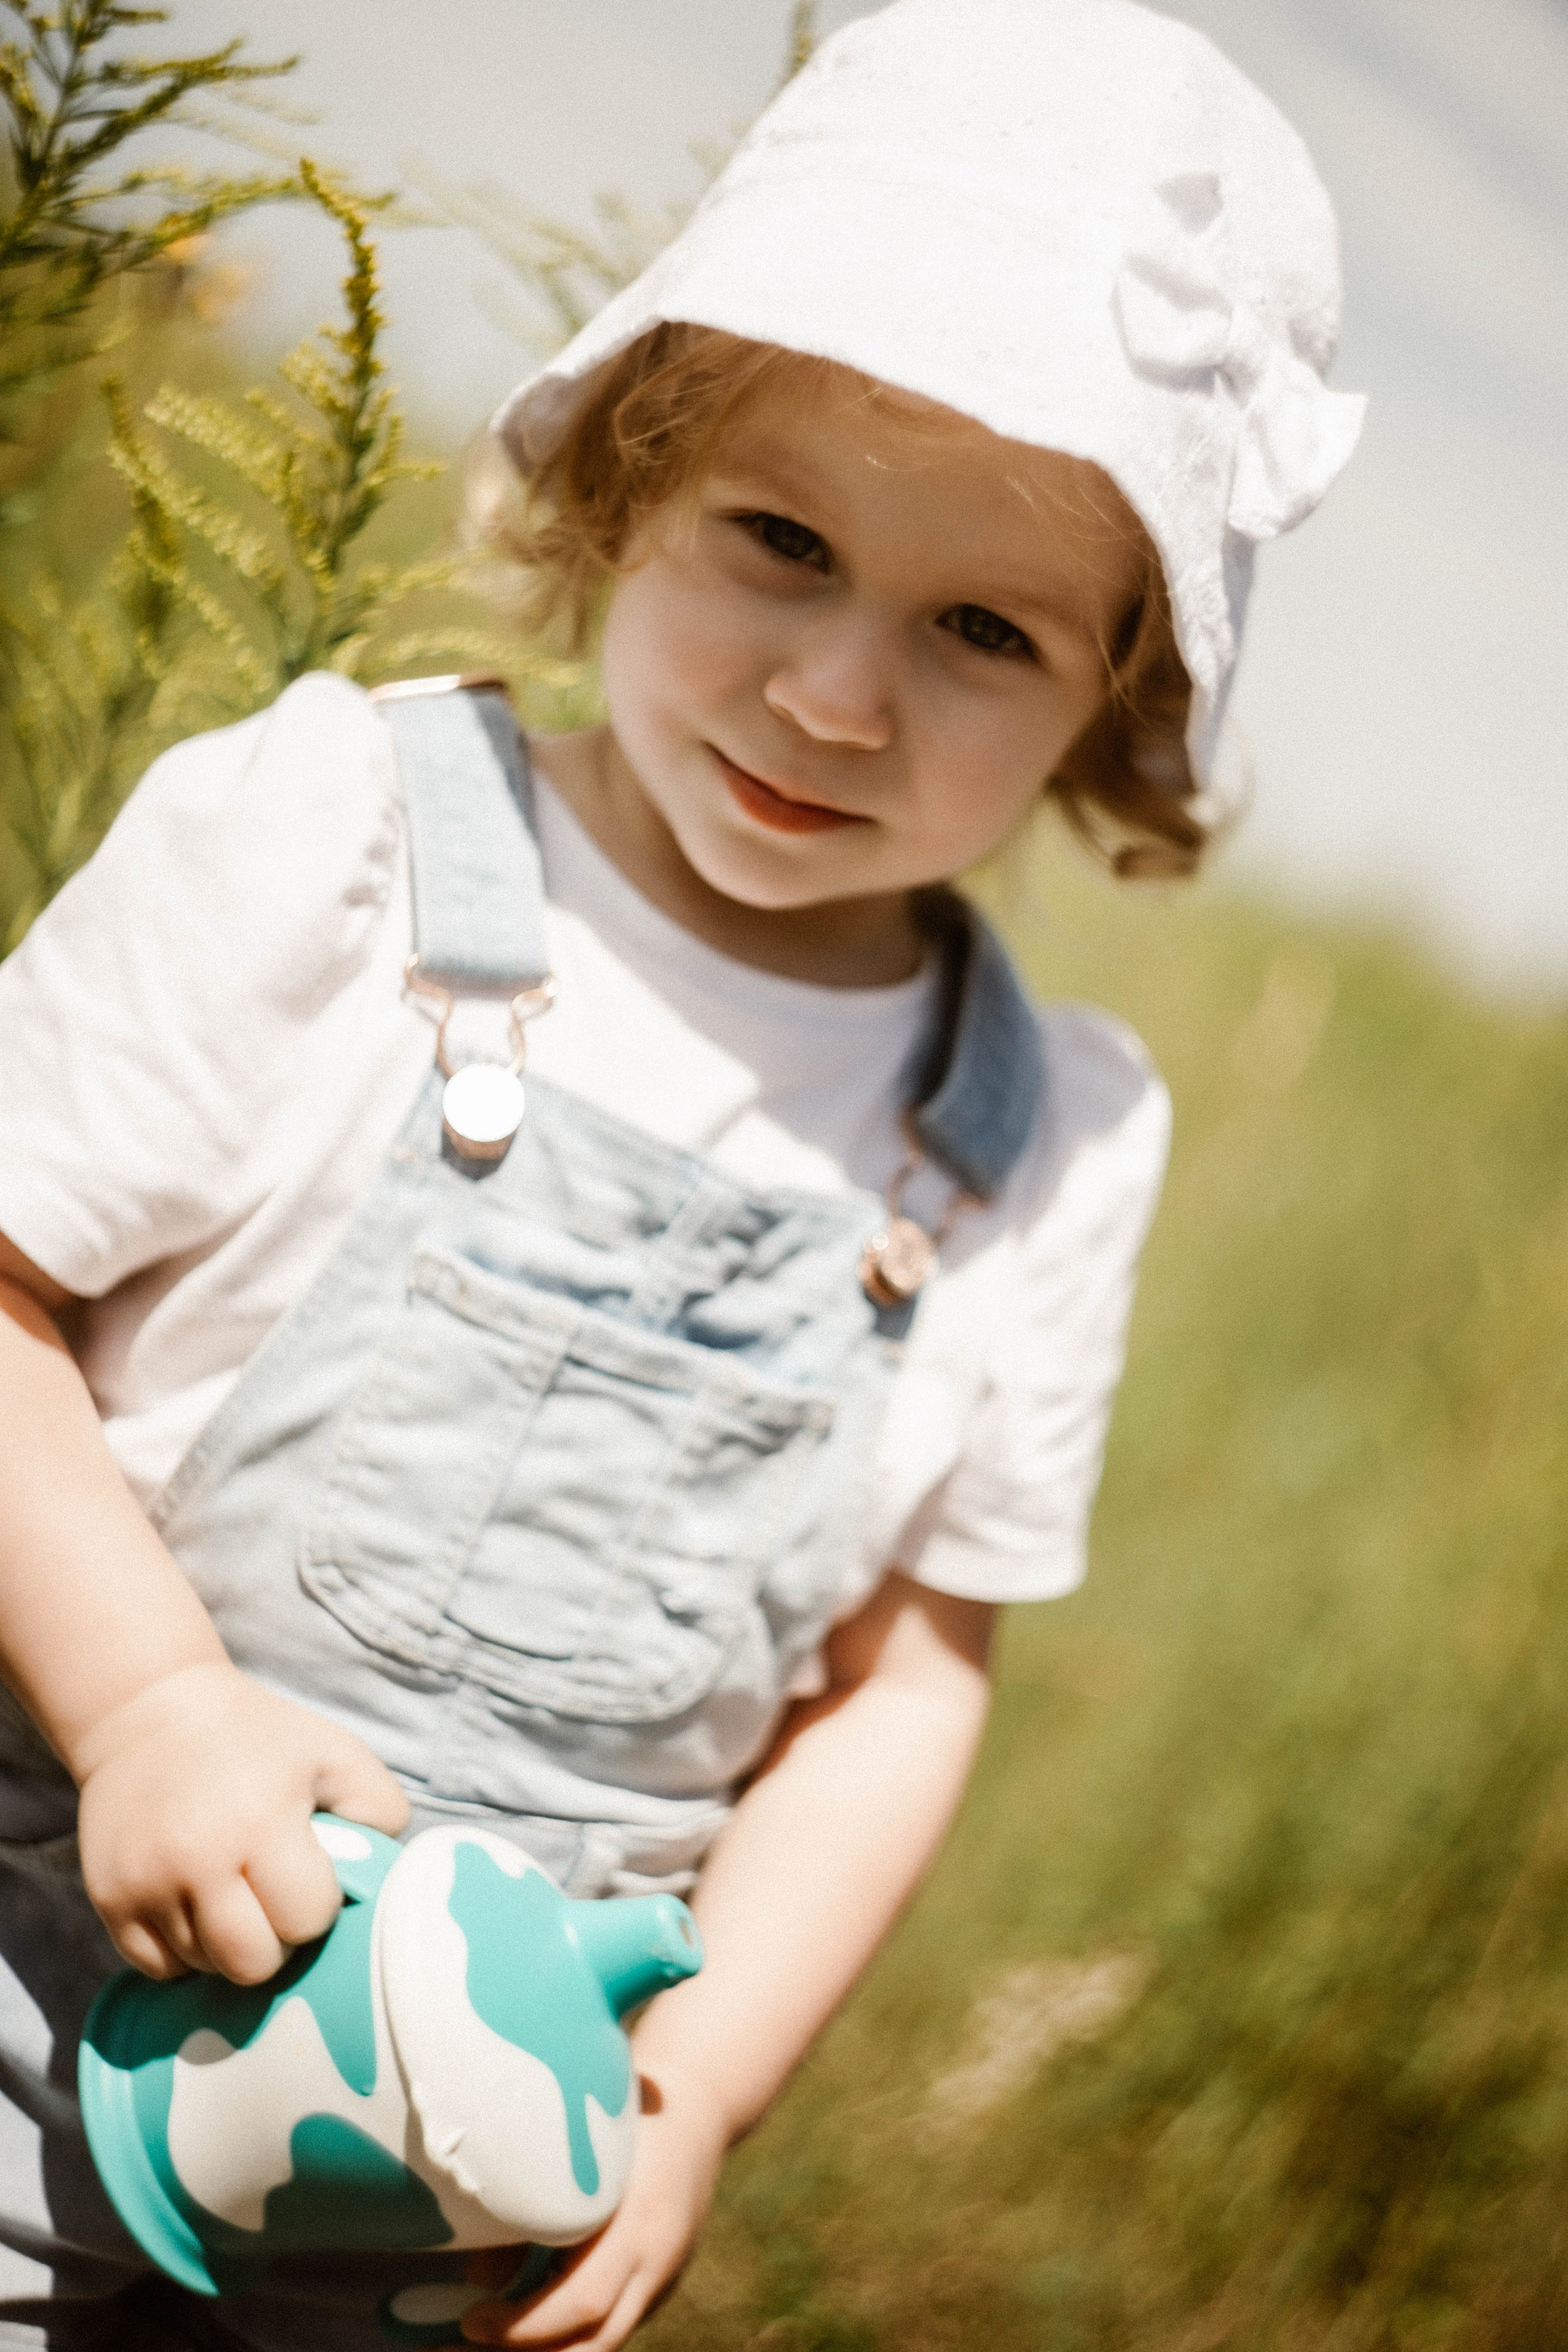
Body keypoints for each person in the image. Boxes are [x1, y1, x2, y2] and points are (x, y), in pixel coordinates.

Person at [0, 1, 1363, 2345]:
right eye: (780, 539)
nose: (837, 696)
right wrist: (146, 1708)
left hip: (456, 2187)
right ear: (630, 475)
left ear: (1114, 697)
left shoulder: (1035, 1145)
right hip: (34, 1993)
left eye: (981, 627)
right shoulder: (334, 849)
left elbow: (905, 1686)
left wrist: (704, 2079)